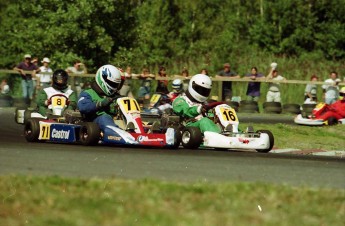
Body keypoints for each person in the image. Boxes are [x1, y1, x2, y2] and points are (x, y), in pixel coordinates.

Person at [78, 64, 125, 137]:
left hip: (115, 121)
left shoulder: (116, 97)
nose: (114, 87)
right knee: (104, 117)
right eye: (112, 84)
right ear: (103, 79)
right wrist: (100, 104)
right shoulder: (88, 93)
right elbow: (83, 107)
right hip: (95, 121)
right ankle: (119, 134)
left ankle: (135, 132)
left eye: (116, 85)